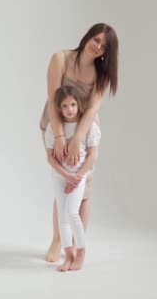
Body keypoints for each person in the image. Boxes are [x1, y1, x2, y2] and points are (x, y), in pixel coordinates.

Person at [39, 23, 118, 262]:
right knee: (63, 184)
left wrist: (78, 140)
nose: (97, 46)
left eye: (103, 46)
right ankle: (58, 239)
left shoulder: (101, 75)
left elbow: (93, 108)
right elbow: (53, 100)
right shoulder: (60, 59)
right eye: (96, 39)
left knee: (82, 190)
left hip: (84, 132)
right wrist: (62, 137)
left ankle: (76, 244)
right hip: (56, 127)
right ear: (87, 37)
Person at [44, 85, 101, 271]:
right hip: (60, 176)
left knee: (72, 212)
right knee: (63, 216)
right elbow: (50, 158)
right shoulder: (53, 128)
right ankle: (68, 255)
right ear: (59, 108)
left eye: (73, 104)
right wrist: (66, 175)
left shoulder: (89, 127)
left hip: (78, 176)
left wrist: (76, 177)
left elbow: (92, 155)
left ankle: (80, 252)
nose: (70, 109)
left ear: (79, 105)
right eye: (65, 106)